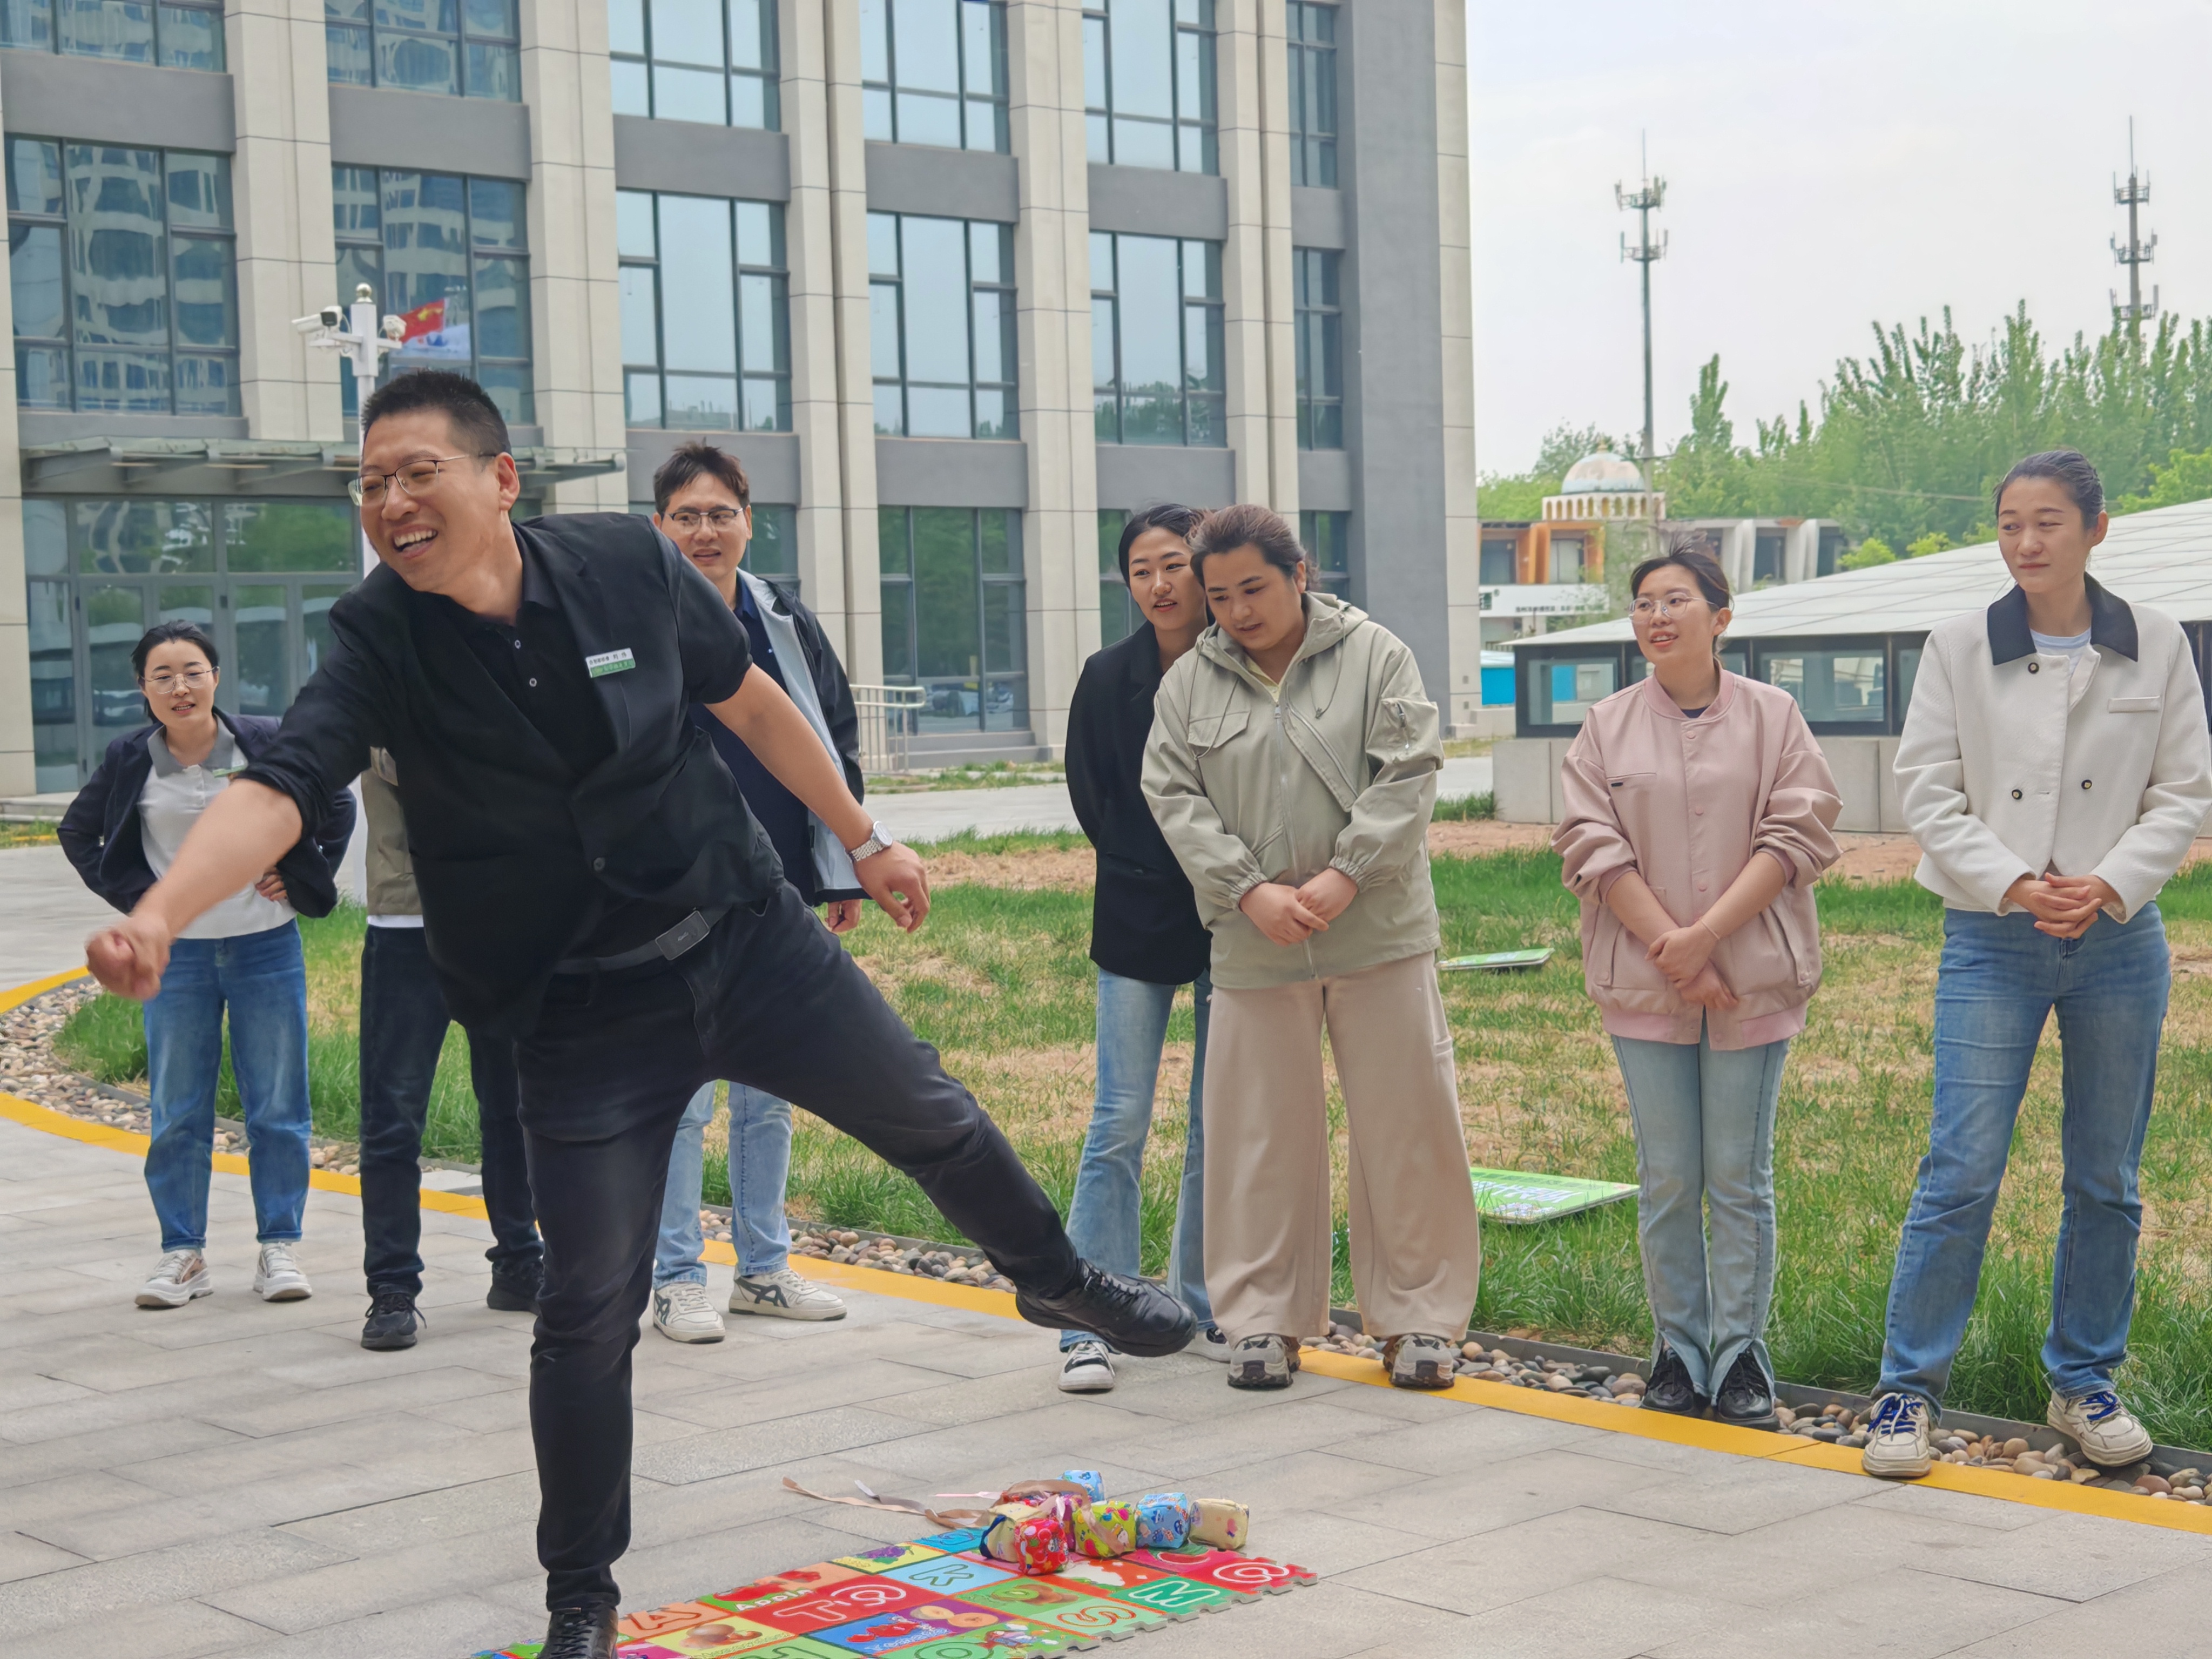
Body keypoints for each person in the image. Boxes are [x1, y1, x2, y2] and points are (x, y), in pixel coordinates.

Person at [81, 370, 1192, 1659]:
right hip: (579, 1009)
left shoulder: (624, 563)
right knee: (586, 1309)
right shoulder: (380, 637)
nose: (390, 501)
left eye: (416, 472)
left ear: (501, 479)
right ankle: (581, 1593)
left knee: (931, 1112)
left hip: (743, 935)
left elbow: (750, 699)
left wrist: (862, 834)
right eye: (370, 483)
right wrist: (160, 915)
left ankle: (1056, 1281)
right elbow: (277, 786)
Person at [1862, 450, 2212, 1480]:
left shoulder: (2156, 641)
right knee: (1960, 1169)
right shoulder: (1958, 644)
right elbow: (1927, 790)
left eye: (2048, 522)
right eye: (2010, 523)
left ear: (2097, 528)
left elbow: (2184, 792)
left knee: (2107, 1177)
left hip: (2118, 939)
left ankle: (2084, 1378)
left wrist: (2108, 883)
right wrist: (2015, 883)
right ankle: (1906, 1389)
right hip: (1990, 936)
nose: (2025, 542)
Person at [1144, 502, 1482, 1392]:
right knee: (1257, 1137)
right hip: (1253, 943)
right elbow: (1172, 796)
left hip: (1379, 934)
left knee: (1407, 1127)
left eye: (1254, 588)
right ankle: (1261, 1320)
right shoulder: (1188, 684)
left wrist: (1348, 874)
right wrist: (1247, 890)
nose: (1238, 611)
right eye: (1219, 596)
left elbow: (1409, 772)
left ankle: (1419, 1320)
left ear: (1299, 575)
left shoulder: (1377, 655)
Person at [1553, 538, 1840, 1428]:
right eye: (1644, 602)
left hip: (1751, 977)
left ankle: (1740, 1353)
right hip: (1645, 983)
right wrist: (1670, 947)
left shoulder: (1773, 715)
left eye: (1675, 600)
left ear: (1721, 617)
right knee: (1670, 1176)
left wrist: (1707, 939)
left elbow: (1797, 834)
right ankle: (1678, 1351)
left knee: (1738, 1177)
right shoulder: (1606, 724)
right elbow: (1590, 844)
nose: (1657, 616)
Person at [59, 622, 355, 1309]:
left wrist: (300, 874)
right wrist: (144, 905)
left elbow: (335, 801)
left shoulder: (264, 741)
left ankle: (279, 1246)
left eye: (193, 671)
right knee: (177, 1109)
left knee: (278, 1105)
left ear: (216, 677)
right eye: (162, 676)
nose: (180, 687)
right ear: (143, 689)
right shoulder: (130, 756)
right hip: (178, 958)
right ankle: (182, 1253)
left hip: (265, 946)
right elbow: (79, 831)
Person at [645, 442, 854, 1343]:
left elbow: (831, 734)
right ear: (660, 527)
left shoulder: (781, 617)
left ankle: (763, 1269)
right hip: (673, 897)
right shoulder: (640, 619)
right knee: (683, 1094)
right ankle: (676, 1276)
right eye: (687, 516)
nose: (705, 531)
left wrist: (841, 864)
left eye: (720, 514)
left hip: (780, 888)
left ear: (749, 522)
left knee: (769, 1089)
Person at [1057, 504, 1227, 1393]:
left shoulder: (1241, 664)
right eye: (1140, 570)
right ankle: (1092, 1318)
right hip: (1134, 913)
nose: (1159, 585)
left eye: (1174, 565)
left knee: (1216, 1120)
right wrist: (1145, 864)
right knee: (1118, 1119)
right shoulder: (1106, 675)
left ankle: (1198, 1302)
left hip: (1236, 915)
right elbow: (1092, 794)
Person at [355, 748, 544, 1351]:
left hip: (499, 915)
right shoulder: (392, 690)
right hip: (406, 921)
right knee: (393, 1116)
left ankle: (520, 1261)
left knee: (512, 1107)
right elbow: (403, 761)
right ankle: (392, 1287)